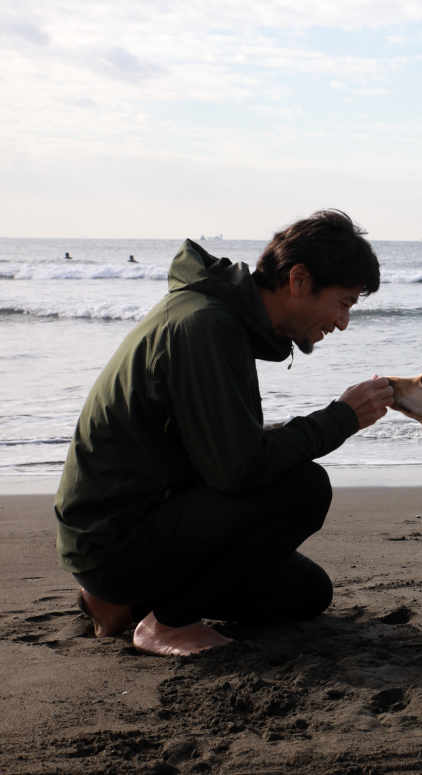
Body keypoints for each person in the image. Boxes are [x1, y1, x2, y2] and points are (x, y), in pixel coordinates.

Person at [54, 209, 395, 657]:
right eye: (343, 302)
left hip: (143, 519)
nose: (343, 322)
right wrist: (342, 418)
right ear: (298, 280)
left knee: (306, 594)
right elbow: (238, 471)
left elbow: (225, 451)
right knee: (304, 487)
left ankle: (118, 603)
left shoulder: (220, 317)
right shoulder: (207, 325)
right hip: (112, 539)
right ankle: (165, 624)